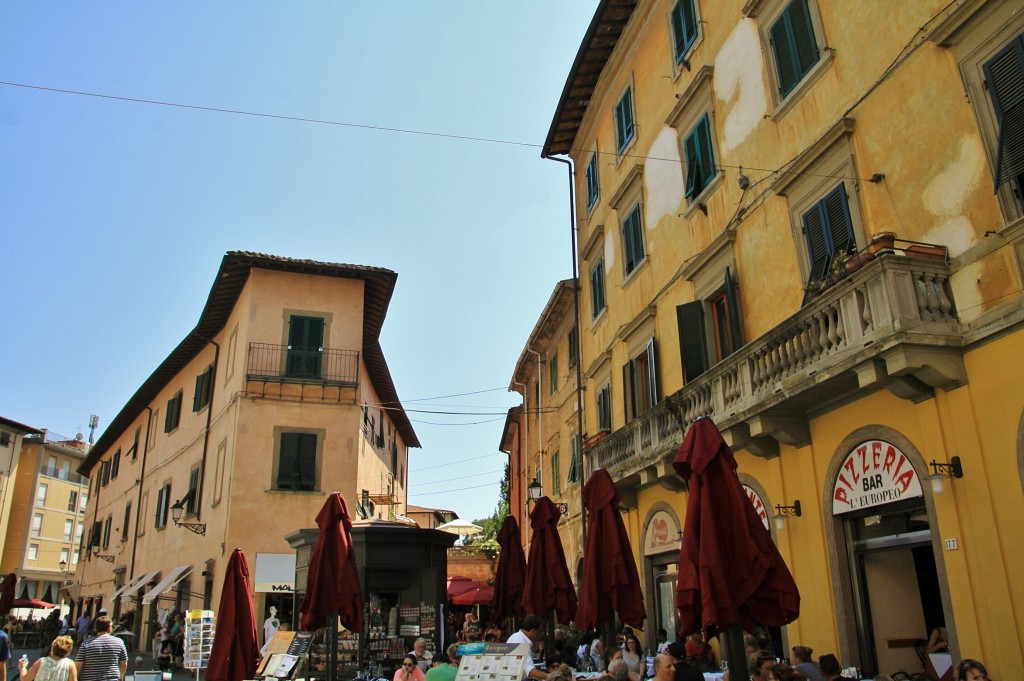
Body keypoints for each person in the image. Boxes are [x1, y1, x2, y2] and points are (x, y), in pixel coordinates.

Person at [75, 617, 127, 681]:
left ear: (96, 628)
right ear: (109, 627)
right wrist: (121, 678)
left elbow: (78, 665)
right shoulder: (119, 642)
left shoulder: (86, 644)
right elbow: (124, 664)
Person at [506, 614, 548, 681]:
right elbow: (530, 670)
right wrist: (550, 676)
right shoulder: (520, 642)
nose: (539, 634)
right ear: (533, 631)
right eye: (539, 631)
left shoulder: (516, 637)